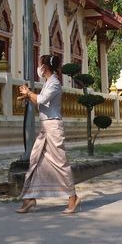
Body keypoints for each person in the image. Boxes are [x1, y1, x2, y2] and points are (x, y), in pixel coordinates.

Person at [16, 54, 80, 214]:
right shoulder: (48, 83)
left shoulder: (55, 83)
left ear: (44, 67)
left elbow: (41, 100)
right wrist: (28, 96)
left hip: (53, 127)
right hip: (45, 126)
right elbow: (40, 104)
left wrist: (28, 92)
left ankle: (72, 197)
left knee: (60, 163)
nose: (38, 67)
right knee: (34, 160)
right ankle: (29, 198)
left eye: (39, 64)